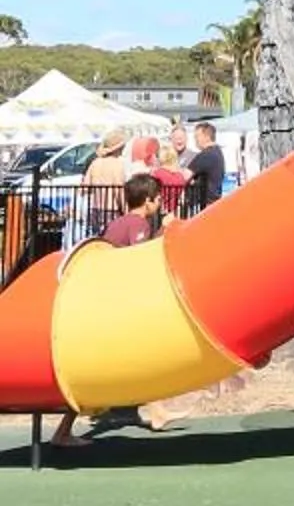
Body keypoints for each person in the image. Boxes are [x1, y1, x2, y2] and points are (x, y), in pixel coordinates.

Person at [50, 175, 164, 448]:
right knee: (108, 365)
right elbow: (139, 258)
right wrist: (163, 233)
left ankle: (157, 410)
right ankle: (63, 432)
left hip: (104, 300)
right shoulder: (138, 224)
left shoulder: (118, 222)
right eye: (158, 199)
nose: (160, 203)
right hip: (114, 305)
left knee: (137, 356)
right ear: (147, 201)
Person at [181, 121, 226, 210]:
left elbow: (184, 176)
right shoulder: (218, 152)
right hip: (213, 202)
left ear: (207, 137)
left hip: (202, 205)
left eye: (197, 136)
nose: (195, 139)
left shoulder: (206, 155)